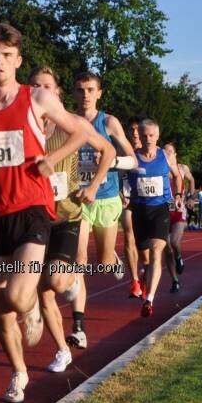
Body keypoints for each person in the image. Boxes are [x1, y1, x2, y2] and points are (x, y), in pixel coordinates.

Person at [0, 23, 85, 403]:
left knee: (17, 296)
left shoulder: (36, 98)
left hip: (31, 210)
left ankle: (34, 308)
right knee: (2, 309)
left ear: (17, 60)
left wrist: (52, 159)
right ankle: (18, 372)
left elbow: (77, 131)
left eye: (7, 56)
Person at [29, 66, 115, 373]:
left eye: (47, 86)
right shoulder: (24, 126)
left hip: (66, 214)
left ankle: (73, 284)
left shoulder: (74, 124)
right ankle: (63, 350)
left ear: (57, 93)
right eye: (34, 85)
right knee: (41, 290)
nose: (40, 91)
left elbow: (108, 150)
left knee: (56, 281)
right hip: (34, 217)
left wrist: (93, 186)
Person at [67, 72, 136, 348]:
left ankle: (113, 260)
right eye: (80, 90)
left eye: (90, 90)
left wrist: (112, 160)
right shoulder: (66, 121)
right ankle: (79, 326)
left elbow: (132, 159)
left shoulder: (108, 122)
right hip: (78, 199)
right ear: (73, 94)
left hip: (106, 199)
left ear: (99, 93)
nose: (85, 95)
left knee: (104, 262)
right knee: (79, 259)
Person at [126, 119, 183, 317]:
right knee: (145, 258)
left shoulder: (165, 156)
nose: (148, 139)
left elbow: (177, 176)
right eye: (144, 136)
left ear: (157, 136)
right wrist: (121, 193)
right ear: (139, 137)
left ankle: (149, 299)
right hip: (139, 210)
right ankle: (146, 277)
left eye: (151, 135)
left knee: (157, 250)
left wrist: (177, 195)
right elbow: (117, 173)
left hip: (160, 209)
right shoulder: (132, 157)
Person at [163, 143, 194, 294]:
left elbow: (191, 180)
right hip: (162, 211)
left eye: (170, 151)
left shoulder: (182, 168)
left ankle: (179, 256)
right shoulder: (159, 167)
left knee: (174, 242)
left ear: (175, 154)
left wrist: (190, 197)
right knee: (166, 248)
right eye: (164, 150)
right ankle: (174, 280)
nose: (166, 153)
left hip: (178, 209)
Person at [121, 117, 145, 299]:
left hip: (146, 202)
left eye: (138, 130)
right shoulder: (122, 151)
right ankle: (135, 281)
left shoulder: (149, 152)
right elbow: (115, 174)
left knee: (145, 245)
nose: (135, 133)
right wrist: (121, 194)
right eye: (132, 130)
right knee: (128, 237)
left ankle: (145, 271)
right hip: (128, 201)